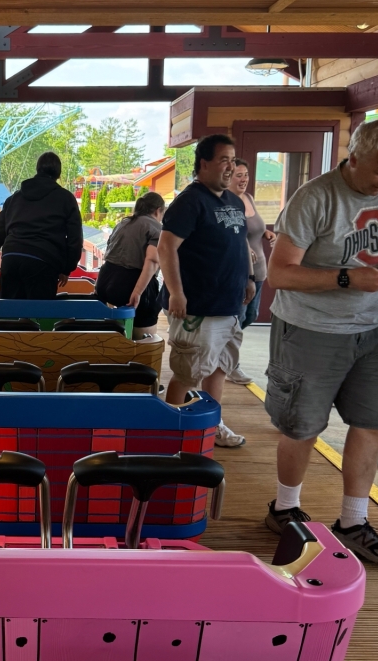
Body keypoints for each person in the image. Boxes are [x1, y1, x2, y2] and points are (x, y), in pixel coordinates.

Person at [264, 117, 378, 565]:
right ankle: (284, 509)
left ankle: (353, 521)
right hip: (311, 330)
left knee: (371, 422)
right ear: (354, 157)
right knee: (303, 425)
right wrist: (348, 277)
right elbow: (279, 273)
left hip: (372, 330)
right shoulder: (315, 197)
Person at [157, 134, 255, 447]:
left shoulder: (234, 201)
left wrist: (250, 278)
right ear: (204, 163)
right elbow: (166, 246)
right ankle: (171, 433)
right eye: (224, 160)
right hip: (198, 307)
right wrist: (176, 292)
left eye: (233, 159)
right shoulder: (190, 201)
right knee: (188, 373)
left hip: (230, 305)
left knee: (220, 368)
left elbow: (241, 243)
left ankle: (212, 425)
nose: (231, 167)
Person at [0, 152, 83, 299]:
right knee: (39, 315)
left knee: (11, 314)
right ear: (59, 174)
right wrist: (66, 269)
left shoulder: (14, 198)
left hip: (11, 258)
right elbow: (75, 238)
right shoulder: (66, 199)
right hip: (43, 261)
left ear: (37, 170)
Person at [226, 157, 276, 384]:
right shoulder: (226, 202)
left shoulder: (249, 199)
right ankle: (230, 364)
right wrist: (245, 247)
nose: (244, 179)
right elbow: (234, 233)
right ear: (228, 177)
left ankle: (224, 354)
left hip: (260, 268)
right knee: (239, 317)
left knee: (251, 316)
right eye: (239, 175)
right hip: (241, 270)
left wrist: (266, 234)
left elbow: (255, 226)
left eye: (246, 175)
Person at [95, 191, 164, 339]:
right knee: (146, 330)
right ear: (158, 211)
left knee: (117, 328)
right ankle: (141, 356)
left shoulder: (123, 223)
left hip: (105, 282)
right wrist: (138, 292)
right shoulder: (156, 228)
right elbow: (152, 260)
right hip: (130, 284)